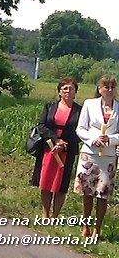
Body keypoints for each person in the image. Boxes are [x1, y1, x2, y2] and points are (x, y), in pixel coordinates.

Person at [30, 76, 82, 218]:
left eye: (71, 89)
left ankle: (55, 216)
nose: (68, 91)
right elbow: (41, 126)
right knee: (46, 182)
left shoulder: (80, 111)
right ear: (59, 92)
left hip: (67, 151)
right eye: (65, 89)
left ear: (75, 92)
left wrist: (64, 145)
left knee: (61, 185)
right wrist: (55, 139)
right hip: (49, 149)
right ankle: (45, 213)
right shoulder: (50, 106)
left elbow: (81, 132)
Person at [75, 74, 118, 239]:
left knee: (103, 193)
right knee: (87, 191)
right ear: (99, 88)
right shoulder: (89, 104)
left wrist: (111, 139)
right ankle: (85, 225)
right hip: (90, 154)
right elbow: (80, 129)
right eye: (106, 86)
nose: (109, 90)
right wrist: (93, 139)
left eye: (112, 87)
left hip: (108, 156)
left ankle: (97, 229)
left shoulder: (118, 108)